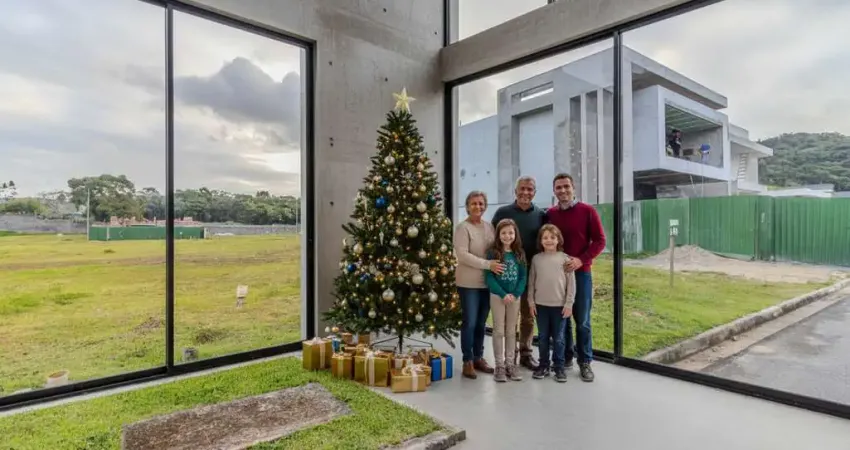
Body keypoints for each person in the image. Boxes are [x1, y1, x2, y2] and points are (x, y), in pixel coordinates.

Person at [545, 173, 606, 382]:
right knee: (564, 319)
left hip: (581, 274)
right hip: (557, 277)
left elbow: (600, 241)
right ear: (554, 191)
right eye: (558, 187)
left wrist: (581, 260)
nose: (562, 190)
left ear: (573, 188)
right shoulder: (550, 214)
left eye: (566, 186)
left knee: (582, 321)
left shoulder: (588, 211)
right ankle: (567, 356)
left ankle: (585, 361)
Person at [490, 176, 547, 371]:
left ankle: (526, 352)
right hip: (506, 276)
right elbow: (493, 241)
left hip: (530, 275)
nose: (525, 192)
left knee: (528, 315)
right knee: (508, 318)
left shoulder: (541, 214)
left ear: (534, 192)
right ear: (515, 191)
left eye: (530, 189)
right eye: (522, 189)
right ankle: (509, 354)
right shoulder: (502, 213)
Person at [453, 191, 502, 380]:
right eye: (474, 203)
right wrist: (487, 264)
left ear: (485, 206)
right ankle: (467, 361)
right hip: (468, 283)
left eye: (481, 203)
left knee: (481, 323)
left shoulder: (489, 227)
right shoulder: (462, 228)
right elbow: (463, 255)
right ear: (467, 206)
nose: (478, 207)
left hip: (487, 283)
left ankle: (479, 357)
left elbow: (494, 251)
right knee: (470, 322)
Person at [528, 224, 576, 383]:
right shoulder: (536, 259)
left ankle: (559, 367)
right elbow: (531, 283)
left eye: (552, 237)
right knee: (542, 337)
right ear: (541, 241)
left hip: (560, 307)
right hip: (541, 306)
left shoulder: (566, 259)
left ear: (558, 240)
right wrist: (530, 301)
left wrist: (569, 304)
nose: (549, 240)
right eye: (545, 238)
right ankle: (543, 365)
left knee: (559, 338)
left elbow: (571, 284)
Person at [484, 218, 528, 383]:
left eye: (510, 233)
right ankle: (499, 365)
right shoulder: (492, 253)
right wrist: (503, 294)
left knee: (511, 331)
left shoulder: (519, 253)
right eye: (504, 233)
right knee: (499, 331)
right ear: (498, 235)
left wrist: (515, 294)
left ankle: (510, 363)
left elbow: (523, 277)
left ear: (515, 234)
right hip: (498, 297)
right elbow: (489, 277)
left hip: (514, 298)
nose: (507, 236)